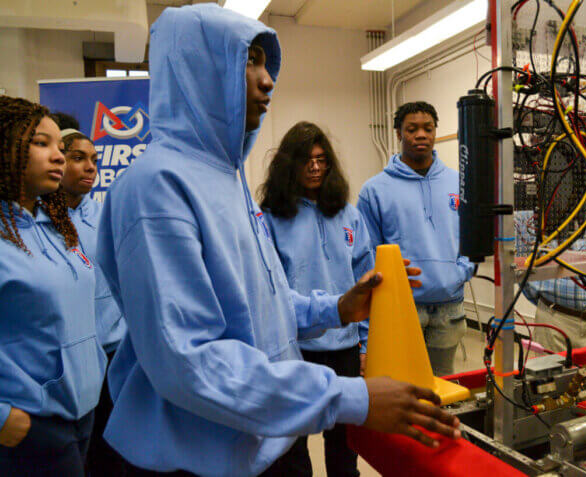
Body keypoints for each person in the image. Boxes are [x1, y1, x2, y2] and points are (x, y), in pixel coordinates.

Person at [96, 5, 460, 476]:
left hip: (266, 440)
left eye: (267, 64)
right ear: (198, 69)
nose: (267, 79)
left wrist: (338, 308)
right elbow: (190, 362)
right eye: (250, 61)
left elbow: (262, 305)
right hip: (202, 457)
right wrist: (350, 396)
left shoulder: (226, 178)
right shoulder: (158, 187)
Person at [260, 121, 374, 477]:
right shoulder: (270, 219)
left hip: (344, 346)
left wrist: (366, 342)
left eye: (322, 159)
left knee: (344, 443)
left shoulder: (349, 214)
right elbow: (271, 294)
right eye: (306, 160)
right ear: (289, 166)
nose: (315, 167)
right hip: (298, 349)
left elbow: (367, 283)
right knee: (293, 446)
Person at [0, 96, 106, 476]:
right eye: (41, 144)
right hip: (30, 422)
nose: (59, 156)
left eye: (60, 147)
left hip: (81, 413)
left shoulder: (56, 225)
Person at [357, 101, 476, 377]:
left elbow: (472, 234)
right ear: (399, 133)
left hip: (449, 306)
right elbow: (366, 255)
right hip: (400, 308)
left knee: (443, 384)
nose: (421, 135)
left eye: (428, 128)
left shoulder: (458, 182)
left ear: (435, 132)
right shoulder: (374, 190)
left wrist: (460, 272)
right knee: (402, 382)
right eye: (412, 129)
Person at [58, 126, 128, 476]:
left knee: (113, 455)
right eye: (78, 158)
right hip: (70, 363)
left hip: (114, 357)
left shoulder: (106, 215)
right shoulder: (40, 223)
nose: (90, 167)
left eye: (94, 160)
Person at [515, 211, 586, 351]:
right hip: (556, 325)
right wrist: (550, 306)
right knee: (553, 373)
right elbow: (523, 269)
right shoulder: (532, 213)